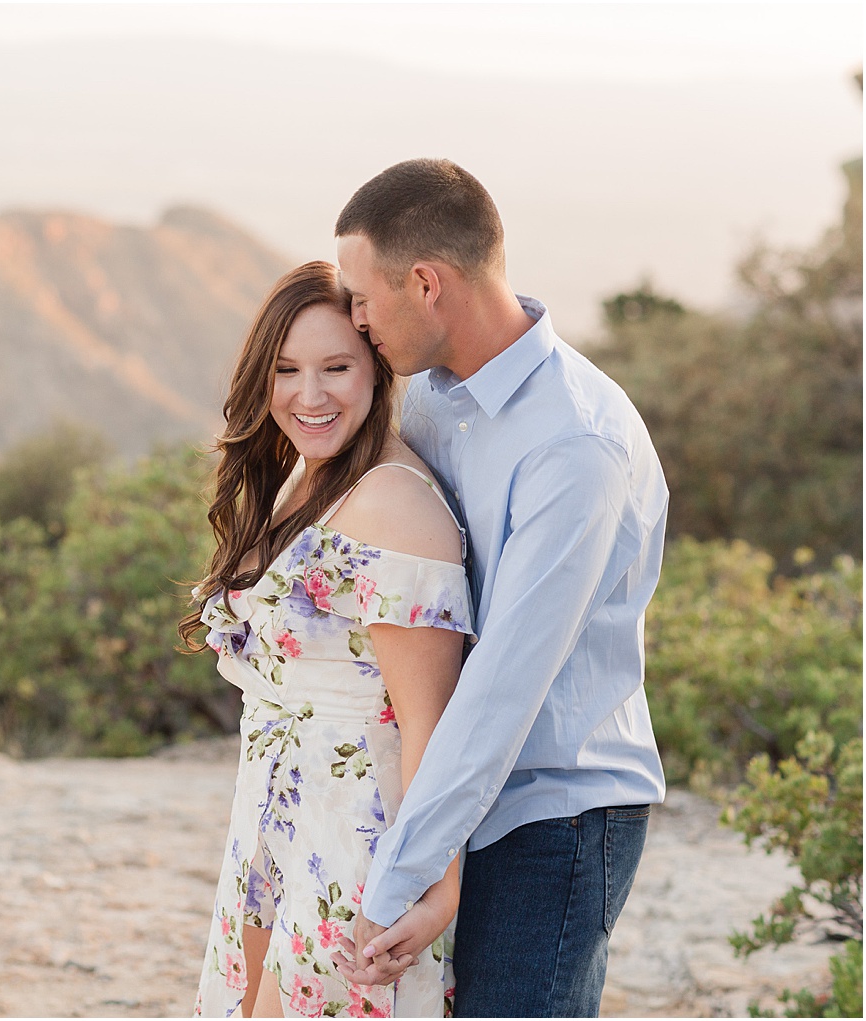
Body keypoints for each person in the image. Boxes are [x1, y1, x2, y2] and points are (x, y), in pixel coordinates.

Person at [328, 158, 669, 1017]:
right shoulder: (436, 404)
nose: (357, 321)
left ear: (426, 283)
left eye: (363, 298)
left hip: (556, 818)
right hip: (460, 804)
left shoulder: (574, 445)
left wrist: (402, 873)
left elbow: (503, 683)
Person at [184, 260, 475, 1018]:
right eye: (286, 370)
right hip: (272, 825)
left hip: (352, 842)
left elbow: (429, 728)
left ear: (377, 368)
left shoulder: (393, 506)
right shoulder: (307, 478)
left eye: (336, 367)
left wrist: (434, 890)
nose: (309, 396)